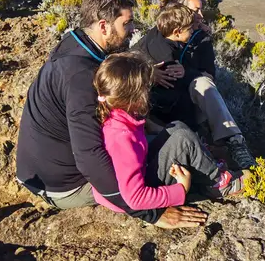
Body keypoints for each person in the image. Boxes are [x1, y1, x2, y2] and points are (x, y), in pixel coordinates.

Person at [16, 0, 208, 228]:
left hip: (39, 171)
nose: (132, 30)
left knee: (166, 136)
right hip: (64, 185)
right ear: (104, 26)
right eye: (126, 24)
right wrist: (152, 214)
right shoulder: (82, 78)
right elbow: (89, 157)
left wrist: (147, 74)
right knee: (173, 154)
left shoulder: (75, 44)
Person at [91, 52, 244, 214]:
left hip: (142, 172)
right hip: (135, 195)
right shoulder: (121, 136)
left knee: (176, 128)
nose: (149, 91)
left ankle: (205, 166)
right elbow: (134, 198)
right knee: (183, 139)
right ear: (135, 96)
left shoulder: (119, 115)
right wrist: (180, 189)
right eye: (145, 87)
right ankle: (219, 183)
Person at [134, 0, 256, 170]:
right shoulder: (158, 36)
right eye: (195, 11)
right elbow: (127, 62)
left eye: (201, 10)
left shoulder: (202, 38)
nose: (200, 15)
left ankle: (234, 141)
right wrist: (149, 73)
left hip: (188, 99)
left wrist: (187, 72)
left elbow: (209, 74)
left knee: (203, 83)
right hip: (158, 102)